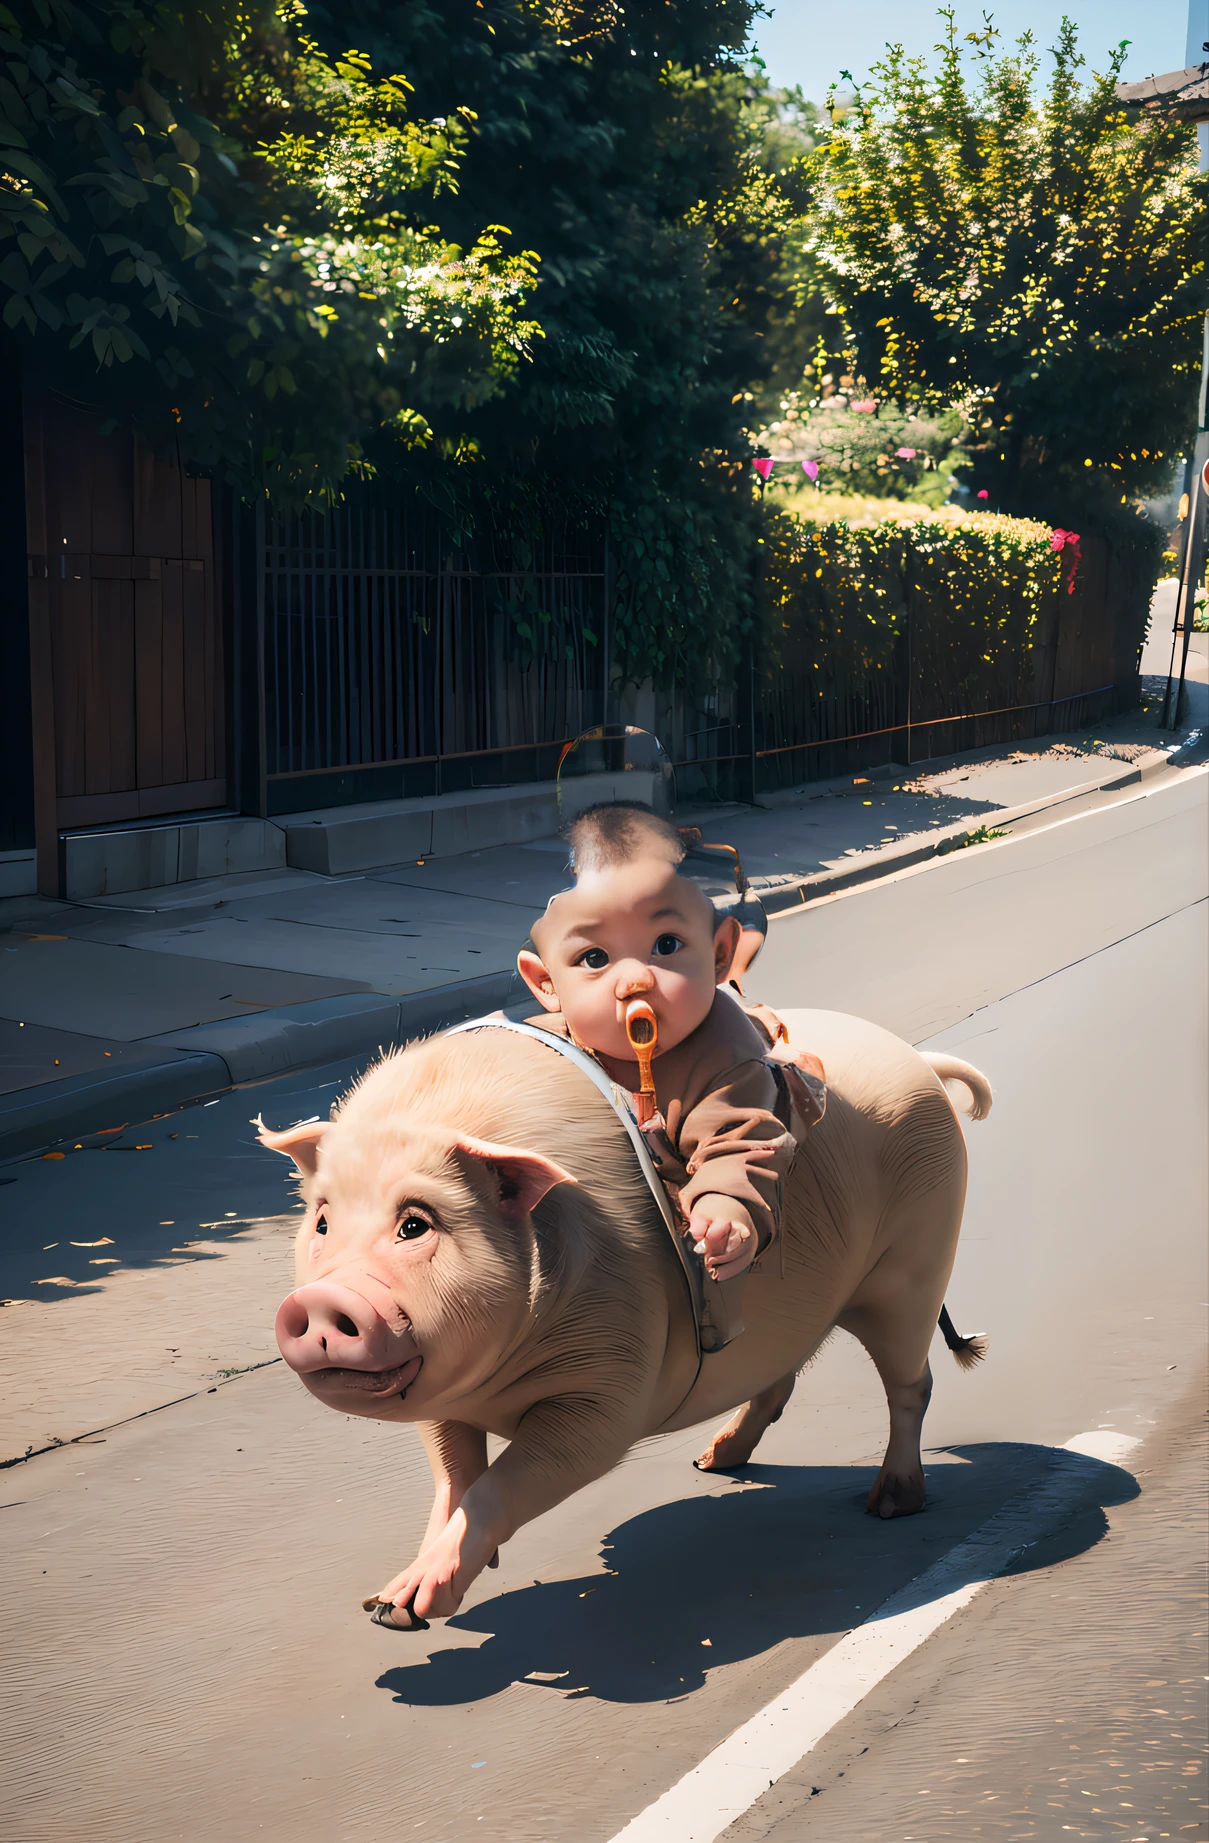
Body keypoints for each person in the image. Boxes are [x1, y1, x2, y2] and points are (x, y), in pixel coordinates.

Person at [516, 803, 803, 1286]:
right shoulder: (542, 1052)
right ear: (547, 984)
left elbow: (740, 1141)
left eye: (665, 945)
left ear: (717, 955)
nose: (634, 979)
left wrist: (725, 1205)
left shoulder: (724, 1054)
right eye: (594, 957)